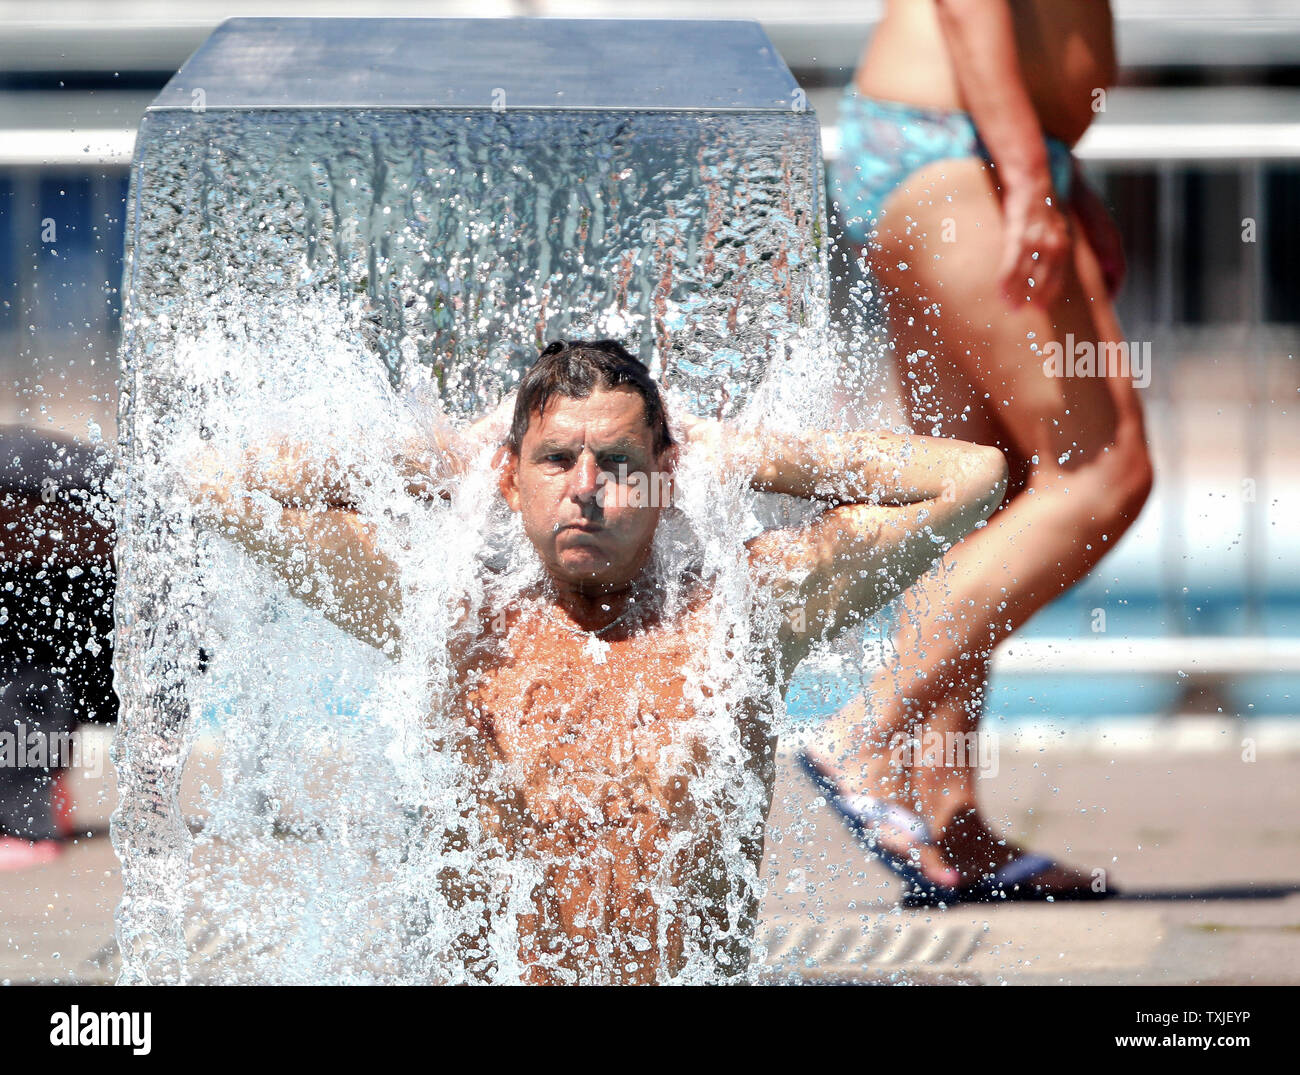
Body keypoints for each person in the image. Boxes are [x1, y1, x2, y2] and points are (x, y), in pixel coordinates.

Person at [191, 338, 1009, 982]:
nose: (586, 487)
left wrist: (745, 451)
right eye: (554, 461)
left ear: (664, 477)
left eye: (618, 463)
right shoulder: (452, 619)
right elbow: (214, 482)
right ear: (510, 480)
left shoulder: (742, 610)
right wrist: (442, 455)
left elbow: (974, 476)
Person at [804, 0, 1155, 902]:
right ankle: (863, 730)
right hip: (968, 149)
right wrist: (1033, 181)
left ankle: (950, 820)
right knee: (1102, 469)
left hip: (962, 143)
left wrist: (1058, 177)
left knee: (980, 495)